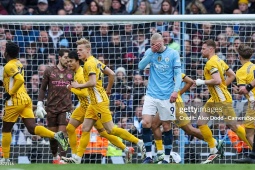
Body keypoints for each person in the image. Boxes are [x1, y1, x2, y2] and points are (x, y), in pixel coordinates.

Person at [64, 38, 145, 164]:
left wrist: (76, 86)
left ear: (88, 50)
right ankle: (77, 158)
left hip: (98, 101)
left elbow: (92, 82)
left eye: (81, 50)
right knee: (85, 128)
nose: (78, 52)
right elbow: (111, 74)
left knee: (110, 130)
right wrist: (107, 90)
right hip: (95, 101)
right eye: (77, 50)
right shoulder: (95, 61)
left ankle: (138, 142)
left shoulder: (89, 64)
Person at [0, 41, 68, 163]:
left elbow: (19, 80)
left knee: (6, 130)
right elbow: (11, 80)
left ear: (6, 52)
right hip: (25, 99)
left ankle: (5, 159)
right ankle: (56, 135)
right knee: (32, 128)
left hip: (14, 101)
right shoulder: (18, 63)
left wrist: (9, 93)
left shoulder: (8, 66)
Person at [194, 39, 251, 164]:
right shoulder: (219, 60)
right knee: (201, 122)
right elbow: (232, 75)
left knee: (234, 126)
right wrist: (223, 87)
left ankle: (253, 149)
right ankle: (214, 150)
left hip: (222, 100)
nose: (201, 50)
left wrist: (202, 82)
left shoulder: (211, 63)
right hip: (214, 99)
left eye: (203, 48)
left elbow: (217, 81)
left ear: (211, 49)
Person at [138, 33, 182, 164]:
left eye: (157, 44)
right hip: (151, 94)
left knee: (167, 126)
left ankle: (167, 159)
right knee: (146, 123)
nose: (155, 47)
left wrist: (175, 91)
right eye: (152, 44)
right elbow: (140, 67)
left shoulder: (173, 54)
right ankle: (149, 156)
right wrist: (151, 52)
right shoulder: (150, 52)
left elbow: (178, 74)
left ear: (163, 42)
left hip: (166, 96)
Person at [152, 73, 204, 163]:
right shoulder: (170, 72)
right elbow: (190, 82)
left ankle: (213, 140)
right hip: (169, 103)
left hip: (172, 104)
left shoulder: (171, 72)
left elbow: (190, 82)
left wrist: (178, 93)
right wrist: (179, 93)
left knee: (189, 130)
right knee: (156, 125)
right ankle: (161, 153)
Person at [35, 49, 73, 164]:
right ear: (60, 57)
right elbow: (43, 88)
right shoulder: (49, 71)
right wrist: (39, 103)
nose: (68, 60)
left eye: (69, 58)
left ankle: (63, 159)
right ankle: (55, 156)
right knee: (53, 136)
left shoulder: (72, 71)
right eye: (66, 58)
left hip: (66, 107)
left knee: (63, 134)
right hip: (51, 107)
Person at [233, 44, 255, 164]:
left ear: (239, 57)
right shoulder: (254, 66)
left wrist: (237, 90)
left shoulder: (241, 71)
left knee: (249, 133)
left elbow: (242, 90)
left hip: (253, 103)